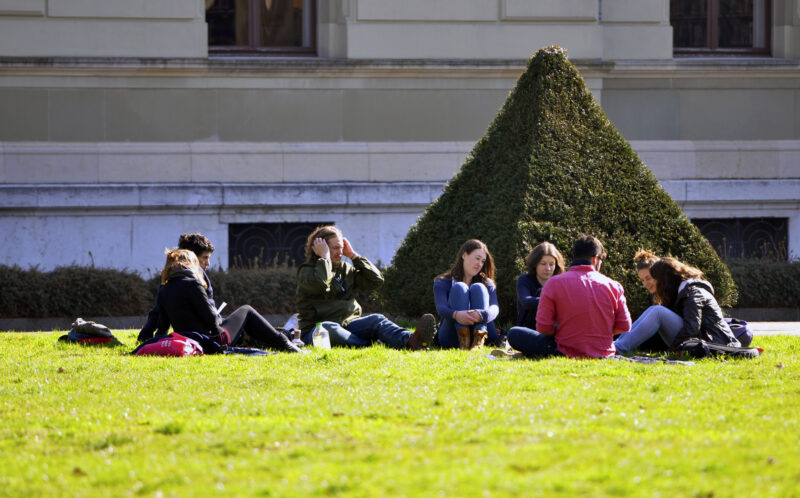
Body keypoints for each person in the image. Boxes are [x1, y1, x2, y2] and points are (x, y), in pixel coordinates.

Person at [295, 225, 435, 349]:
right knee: (329, 328)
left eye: (341, 248)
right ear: (320, 249)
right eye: (335, 248)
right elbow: (321, 284)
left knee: (376, 319)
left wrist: (354, 256)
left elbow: (375, 281)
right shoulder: (306, 271)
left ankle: (412, 340)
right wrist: (325, 258)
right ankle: (368, 343)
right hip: (317, 331)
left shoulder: (345, 269)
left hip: (349, 325)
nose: (340, 253)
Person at [507, 235, 631, 358]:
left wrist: (568, 330)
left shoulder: (554, 284)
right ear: (595, 259)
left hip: (564, 350)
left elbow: (544, 328)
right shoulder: (614, 286)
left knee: (514, 333)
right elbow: (624, 325)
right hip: (603, 351)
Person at [155, 248, 301, 352]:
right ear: (191, 265)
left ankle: (280, 340)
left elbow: (162, 327)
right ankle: (285, 343)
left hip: (188, 342)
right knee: (247, 310)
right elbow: (211, 319)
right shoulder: (193, 284)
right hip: (211, 340)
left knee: (243, 324)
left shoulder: (164, 289)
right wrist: (221, 320)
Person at [643, 257, 740, 348]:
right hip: (703, 338)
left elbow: (692, 328)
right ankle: (632, 341)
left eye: (656, 280)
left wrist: (673, 349)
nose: (654, 284)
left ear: (666, 280)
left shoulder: (693, 293)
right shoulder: (679, 292)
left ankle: (631, 344)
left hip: (713, 342)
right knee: (654, 309)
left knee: (658, 311)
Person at [138, 233, 217, 342]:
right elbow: (210, 312)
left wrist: (148, 334)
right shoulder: (197, 276)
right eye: (205, 258)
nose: (208, 263)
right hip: (205, 333)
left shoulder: (170, 275)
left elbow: (159, 310)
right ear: (191, 256)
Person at [433, 239, 500, 350]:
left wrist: (481, 315)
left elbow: (495, 308)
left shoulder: (487, 283)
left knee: (478, 287)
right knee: (459, 287)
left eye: (483, 261)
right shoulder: (443, 282)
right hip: (452, 336)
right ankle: (463, 338)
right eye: (477, 258)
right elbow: (441, 308)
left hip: (486, 334)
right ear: (464, 255)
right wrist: (456, 315)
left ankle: (479, 339)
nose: (480, 264)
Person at [613, 249, 681, 353]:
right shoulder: (655, 296)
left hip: (691, 339)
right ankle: (615, 345)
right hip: (676, 339)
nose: (645, 284)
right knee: (653, 310)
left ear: (659, 275)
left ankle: (618, 348)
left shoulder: (677, 289)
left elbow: (691, 323)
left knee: (657, 311)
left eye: (648, 278)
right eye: (642, 280)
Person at [515, 242, 565, 329]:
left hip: (554, 330)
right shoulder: (524, 280)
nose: (548, 268)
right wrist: (554, 301)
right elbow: (526, 301)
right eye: (543, 264)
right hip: (528, 330)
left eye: (551, 264)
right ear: (535, 264)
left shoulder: (560, 282)